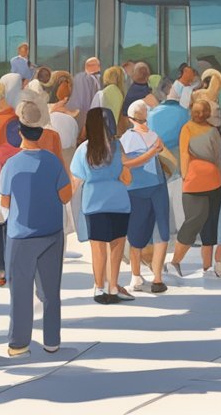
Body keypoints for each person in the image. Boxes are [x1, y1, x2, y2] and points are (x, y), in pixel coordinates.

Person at [0, 102, 73, 356]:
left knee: (20, 290)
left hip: (21, 235)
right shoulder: (52, 163)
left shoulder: (10, 165)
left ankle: (19, 344)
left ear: (20, 131)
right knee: (51, 291)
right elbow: (66, 196)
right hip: (52, 233)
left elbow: (5, 203)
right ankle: (52, 340)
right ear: (41, 132)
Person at [72, 107, 132, 303]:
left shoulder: (83, 150)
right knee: (116, 246)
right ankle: (113, 286)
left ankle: (99, 288)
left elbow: (76, 180)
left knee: (97, 248)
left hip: (94, 202)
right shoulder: (118, 147)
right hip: (119, 202)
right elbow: (126, 177)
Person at [171, 99, 221, 276]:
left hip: (202, 183)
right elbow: (217, 157)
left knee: (203, 225)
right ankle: (179, 262)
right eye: (197, 111)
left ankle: (205, 267)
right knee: (198, 224)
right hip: (205, 182)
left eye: (202, 112)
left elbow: (185, 154)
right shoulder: (209, 131)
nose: (199, 115)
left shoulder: (194, 129)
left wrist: (186, 177)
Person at [121, 100, 169, 293]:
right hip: (158, 186)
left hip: (135, 188)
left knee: (135, 232)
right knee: (161, 229)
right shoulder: (155, 137)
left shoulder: (126, 138)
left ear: (131, 118)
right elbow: (160, 151)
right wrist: (152, 152)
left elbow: (127, 164)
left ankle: (136, 276)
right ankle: (158, 278)